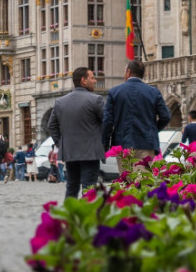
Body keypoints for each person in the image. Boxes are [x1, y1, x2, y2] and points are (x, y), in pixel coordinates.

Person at [102, 60, 171, 174]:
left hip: (123, 143)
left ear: (128, 72)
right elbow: (166, 116)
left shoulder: (115, 92)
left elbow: (107, 121)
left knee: (127, 181)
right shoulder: (153, 92)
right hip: (146, 144)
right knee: (142, 183)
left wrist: (104, 144)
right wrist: (152, 129)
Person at [48, 67, 105, 197]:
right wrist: (103, 144)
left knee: (71, 188)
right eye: (92, 78)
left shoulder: (60, 102)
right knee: (89, 188)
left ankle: (69, 216)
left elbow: (51, 126)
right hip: (91, 153)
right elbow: (107, 123)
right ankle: (87, 215)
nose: (95, 81)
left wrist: (62, 142)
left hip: (70, 152)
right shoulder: (96, 100)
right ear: (83, 80)